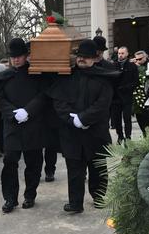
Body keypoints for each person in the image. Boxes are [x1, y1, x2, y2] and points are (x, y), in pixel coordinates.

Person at [48, 40, 119, 212]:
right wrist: (72, 120)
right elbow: (58, 101)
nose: (81, 59)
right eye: (79, 56)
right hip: (71, 132)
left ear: (95, 58)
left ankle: (99, 197)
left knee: (98, 168)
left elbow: (103, 104)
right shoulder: (67, 76)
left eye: (86, 57)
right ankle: (75, 203)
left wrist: (84, 119)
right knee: (74, 169)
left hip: (95, 131)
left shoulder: (104, 77)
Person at [0, 38, 49, 213]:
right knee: (10, 162)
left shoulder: (36, 75)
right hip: (12, 125)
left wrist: (28, 111)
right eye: (13, 57)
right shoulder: (3, 76)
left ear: (26, 56)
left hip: (33, 124)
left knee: (34, 161)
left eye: (19, 56)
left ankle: (30, 195)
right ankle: (10, 198)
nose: (16, 60)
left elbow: (43, 95)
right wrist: (12, 113)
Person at [112, 46, 137, 144]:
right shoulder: (114, 65)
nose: (120, 55)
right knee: (117, 119)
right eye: (119, 53)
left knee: (127, 119)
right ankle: (120, 136)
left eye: (122, 53)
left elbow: (135, 81)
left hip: (127, 96)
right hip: (116, 97)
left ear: (127, 54)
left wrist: (127, 88)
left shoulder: (132, 66)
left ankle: (128, 137)